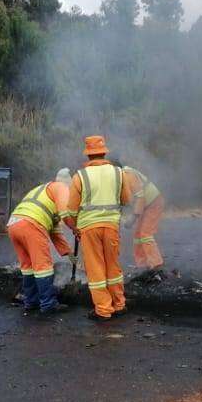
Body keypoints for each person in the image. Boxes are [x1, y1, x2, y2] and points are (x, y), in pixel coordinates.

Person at [64, 135, 132, 320]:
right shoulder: (119, 173)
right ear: (104, 152)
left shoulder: (80, 176)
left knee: (96, 269)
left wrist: (75, 226)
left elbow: (71, 209)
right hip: (111, 225)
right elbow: (126, 199)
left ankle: (103, 310)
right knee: (113, 266)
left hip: (89, 228)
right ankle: (119, 304)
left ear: (88, 155)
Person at [8, 173, 74, 315]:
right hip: (32, 225)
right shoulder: (62, 187)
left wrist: (68, 253)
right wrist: (76, 228)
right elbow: (65, 214)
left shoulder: (43, 191)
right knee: (43, 267)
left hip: (14, 224)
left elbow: (55, 232)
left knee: (28, 267)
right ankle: (48, 304)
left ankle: (31, 302)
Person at [122, 164, 165, 270]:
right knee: (138, 236)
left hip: (153, 202)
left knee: (145, 234)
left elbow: (140, 196)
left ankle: (156, 264)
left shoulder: (128, 175)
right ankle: (142, 265)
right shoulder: (122, 176)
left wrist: (133, 217)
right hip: (146, 205)